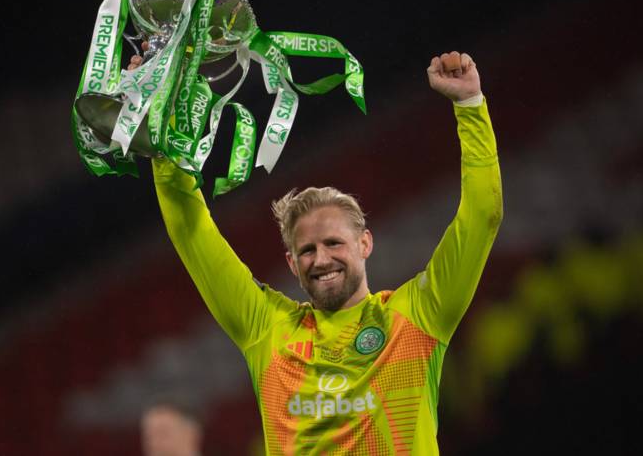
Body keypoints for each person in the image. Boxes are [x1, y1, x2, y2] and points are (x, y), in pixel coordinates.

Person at [141, 50, 502, 454]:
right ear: (292, 264)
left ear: (365, 243)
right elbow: (192, 234)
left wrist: (470, 106)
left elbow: (482, 216)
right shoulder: (267, 329)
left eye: (333, 243)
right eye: (307, 250)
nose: (321, 259)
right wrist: (163, 133)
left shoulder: (416, 317)